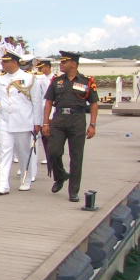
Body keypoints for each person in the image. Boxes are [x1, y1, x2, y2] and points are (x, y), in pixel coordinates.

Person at [43, 51, 99, 203]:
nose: (60, 64)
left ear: (73, 64)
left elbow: (94, 104)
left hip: (77, 120)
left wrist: (92, 124)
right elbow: (48, 102)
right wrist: (45, 122)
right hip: (59, 120)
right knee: (53, 151)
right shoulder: (56, 81)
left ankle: (73, 190)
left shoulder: (86, 81)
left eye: (64, 62)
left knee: (76, 157)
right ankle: (60, 175)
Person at [0, 51, 42, 195]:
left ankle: (26, 180)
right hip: (4, 121)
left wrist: (38, 122)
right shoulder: (0, 79)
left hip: (23, 122)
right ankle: (3, 184)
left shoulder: (29, 78)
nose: (2, 64)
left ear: (14, 62)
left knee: (23, 153)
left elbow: (37, 102)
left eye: (5, 62)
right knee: (5, 153)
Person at [31, 58, 54, 180]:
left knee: (49, 139)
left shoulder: (54, 79)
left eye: (41, 68)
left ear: (48, 67)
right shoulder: (37, 78)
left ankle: (50, 160)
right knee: (36, 139)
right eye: (38, 68)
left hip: (50, 112)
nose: (39, 70)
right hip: (39, 111)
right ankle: (32, 168)